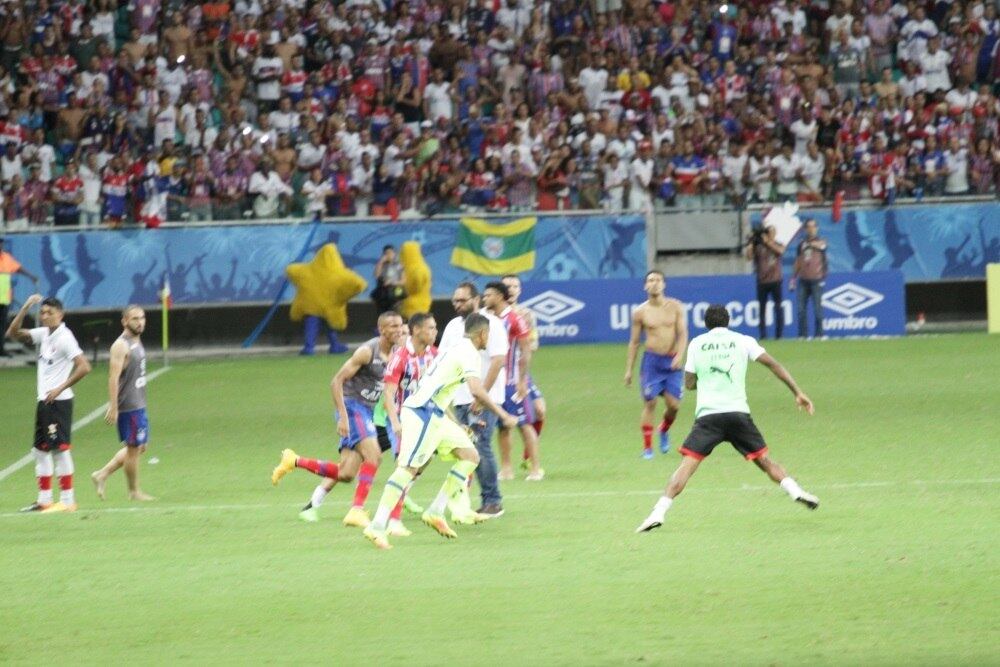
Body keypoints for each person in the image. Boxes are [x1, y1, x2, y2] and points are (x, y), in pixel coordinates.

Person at [636, 305, 819, 533]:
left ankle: (658, 512)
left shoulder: (697, 344)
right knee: (765, 462)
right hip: (737, 414)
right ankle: (795, 490)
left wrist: (700, 379)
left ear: (706, 323)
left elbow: (690, 383)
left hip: (708, 417)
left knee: (686, 468)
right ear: (728, 321)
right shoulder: (743, 340)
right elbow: (774, 365)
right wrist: (797, 392)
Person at [362, 313, 519, 550]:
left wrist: (456, 424)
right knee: (408, 469)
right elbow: (475, 390)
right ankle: (377, 525)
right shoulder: (468, 353)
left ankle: (436, 511)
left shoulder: (455, 348)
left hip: (436, 414)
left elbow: (440, 390)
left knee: (470, 456)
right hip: (421, 413)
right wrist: (503, 414)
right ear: (483, 334)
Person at [270, 312, 403, 527]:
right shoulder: (367, 352)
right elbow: (336, 381)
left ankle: (293, 460)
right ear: (381, 330)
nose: (398, 329)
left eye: (400, 325)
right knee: (375, 456)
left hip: (366, 411)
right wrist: (342, 416)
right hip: (352, 407)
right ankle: (357, 510)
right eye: (392, 326)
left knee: (347, 473)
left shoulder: (398, 353)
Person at [5, 295, 92, 512]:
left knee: (60, 451)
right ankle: (44, 500)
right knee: (40, 451)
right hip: (44, 401)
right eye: (42, 312)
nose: (44, 316)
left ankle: (67, 500)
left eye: (49, 313)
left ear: (60, 315)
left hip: (58, 403)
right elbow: (12, 333)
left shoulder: (65, 338)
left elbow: (84, 366)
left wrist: (60, 388)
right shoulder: (44, 334)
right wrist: (25, 307)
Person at [438, 282, 508, 517]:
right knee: (464, 449)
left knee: (480, 445)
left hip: (483, 398)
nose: (457, 305)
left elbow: (498, 360)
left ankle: (493, 500)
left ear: (476, 299)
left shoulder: (492, 325)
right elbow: (444, 359)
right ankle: (461, 500)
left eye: (462, 300)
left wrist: (482, 396)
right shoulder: (452, 326)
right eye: (455, 301)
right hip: (459, 398)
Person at [91, 305, 155, 501]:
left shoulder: (136, 340)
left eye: (142, 318)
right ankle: (133, 491)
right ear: (125, 321)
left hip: (139, 403)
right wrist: (114, 406)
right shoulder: (121, 345)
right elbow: (113, 377)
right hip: (129, 405)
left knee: (139, 447)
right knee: (134, 449)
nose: (140, 322)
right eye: (135, 319)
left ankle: (101, 474)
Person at [624, 270, 688, 459]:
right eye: (651, 280)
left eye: (658, 280)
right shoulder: (640, 312)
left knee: (674, 405)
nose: (655, 283)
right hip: (651, 363)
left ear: (664, 284)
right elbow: (634, 342)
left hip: (672, 362)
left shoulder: (676, 307)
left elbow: (683, 333)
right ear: (645, 286)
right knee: (650, 402)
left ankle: (664, 429)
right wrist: (629, 369)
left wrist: (680, 355)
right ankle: (647, 448)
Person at [482, 281, 543, 481]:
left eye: (489, 295)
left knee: (524, 423)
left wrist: (522, 380)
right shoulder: (487, 318)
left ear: (499, 296)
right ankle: (506, 469)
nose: (485, 298)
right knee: (503, 426)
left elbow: (526, 350)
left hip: (511, 380)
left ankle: (535, 468)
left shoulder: (515, 319)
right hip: (495, 381)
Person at [501, 274, 546, 468]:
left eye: (515, 286)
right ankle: (509, 465)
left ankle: (527, 455)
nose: (511, 289)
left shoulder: (527, 315)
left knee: (540, 410)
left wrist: (524, 343)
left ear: (520, 290)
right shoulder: (495, 315)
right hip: (503, 375)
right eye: (507, 286)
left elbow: (534, 343)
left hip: (522, 372)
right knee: (511, 422)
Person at [0, 236, 40, 357]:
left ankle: (1, 348)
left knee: (2, 325)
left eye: (1, 243)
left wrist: (31, 276)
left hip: (4, 297)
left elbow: (18, 268)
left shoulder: (6, 257)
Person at [745, 224, 786, 339]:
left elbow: (780, 251)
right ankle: (763, 335)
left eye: (772, 232)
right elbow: (749, 257)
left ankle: (779, 335)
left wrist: (768, 242)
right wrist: (750, 243)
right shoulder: (759, 246)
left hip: (776, 280)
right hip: (762, 281)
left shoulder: (778, 244)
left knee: (778, 308)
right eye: (768, 232)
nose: (770, 234)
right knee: (762, 310)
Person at [791, 219, 828, 339]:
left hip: (816, 280)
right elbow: (798, 262)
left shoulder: (821, 241)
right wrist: (793, 278)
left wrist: (809, 244)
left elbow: (823, 246)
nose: (811, 229)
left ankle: (819, 335)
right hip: (803, 280)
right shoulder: (801, 244)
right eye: (809, 227)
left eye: (813, 227)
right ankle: (803, 335)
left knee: (818, 310)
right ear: (806, 229)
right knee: (801, 309)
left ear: (816, 228)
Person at [371, 245, 405, 317]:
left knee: (395, 314)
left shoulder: (399, 265)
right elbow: (376, 275)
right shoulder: (382, 265)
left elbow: (403, 281)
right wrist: (381, 262)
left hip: (395, 293)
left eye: (390, 253)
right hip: (383, 294)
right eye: (386, 253)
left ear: (394, 253)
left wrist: (392, 282)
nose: (389, 255)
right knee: (383, 315)